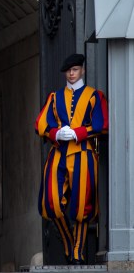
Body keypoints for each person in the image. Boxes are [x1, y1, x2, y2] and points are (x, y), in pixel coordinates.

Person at [35, 53, 108, 265]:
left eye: (75, 70)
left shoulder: (94, 96)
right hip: (58, 153)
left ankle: (77, 251)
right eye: (68, 71)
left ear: (82, 70)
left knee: (82, 206)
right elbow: (41, 123)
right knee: (52, 203)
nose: (71, 73)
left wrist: (78, 133)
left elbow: (101, 124)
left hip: (83, 153)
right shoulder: (55, 97)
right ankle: (68, 242)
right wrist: (56, 133)